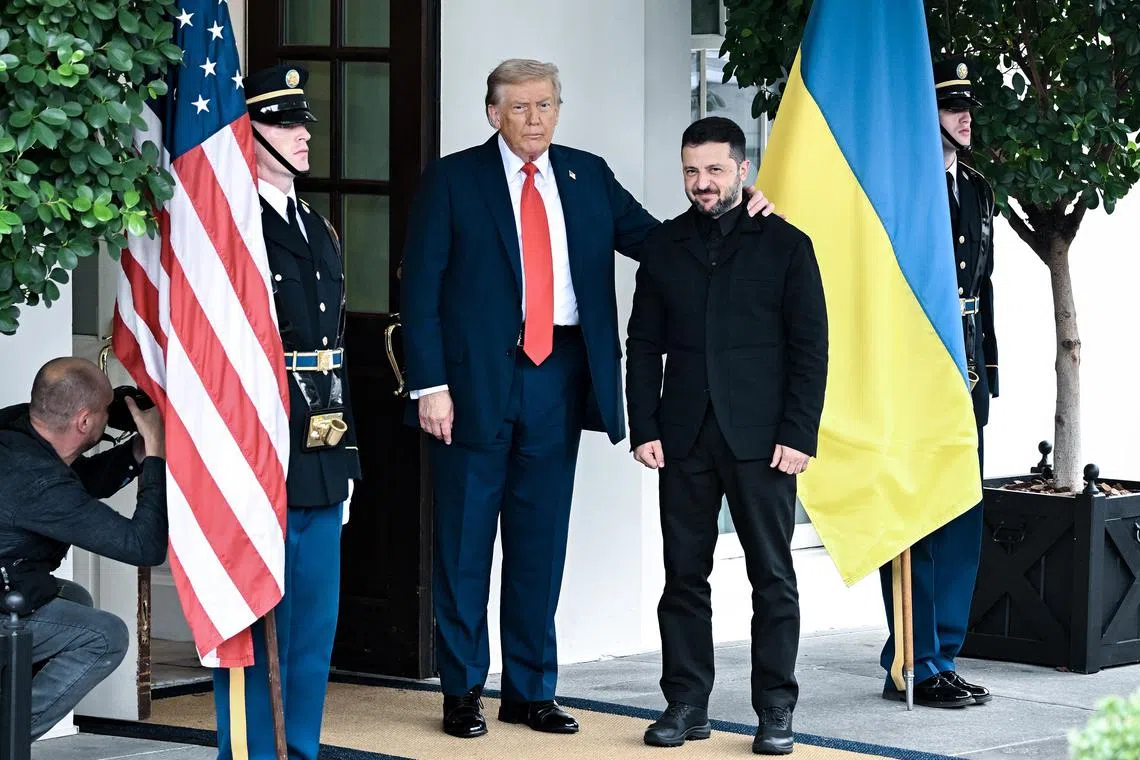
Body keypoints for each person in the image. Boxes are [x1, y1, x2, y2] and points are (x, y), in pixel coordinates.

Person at [401, 59, 775, 739]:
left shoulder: (585, 174)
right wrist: (431, 385)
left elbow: (660, 242)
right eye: (519, 108)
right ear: (493, 114)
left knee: (539, 543)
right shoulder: (453, 181)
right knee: (463, 543)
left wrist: (740, 213)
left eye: (545, 105)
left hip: (559, 377)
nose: (535, 119)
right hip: (473, 384)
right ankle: (461, 691)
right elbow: (420, 289)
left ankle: (529, 690)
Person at [625, 117, 827, 756]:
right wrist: (644, 425)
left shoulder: (787, 245)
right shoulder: (663, 246)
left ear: (743, 170)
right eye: (691, 170)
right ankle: (686, 703)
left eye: (714, 170)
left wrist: (798, 433)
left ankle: (775, 708)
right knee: (683, 577)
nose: (701, 183)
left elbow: (810, 349)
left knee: (772, 576)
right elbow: (643, 345)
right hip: (681, 439)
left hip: (764, 441)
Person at [210, 63, 362, 760]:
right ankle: (250, 751)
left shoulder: (318, 227)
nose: (303, 135)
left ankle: (299, 746)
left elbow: (335, 352)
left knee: (313, 625)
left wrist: (349, 456)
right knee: (256, 620)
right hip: (259, 451)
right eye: (284, 123)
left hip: (321, 452)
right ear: (249, 137)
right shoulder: (232, 233)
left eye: (303, 122)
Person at [879, 56, 999, 709]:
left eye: (968, 108)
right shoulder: (895, 190)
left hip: (965, 372)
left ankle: (943, 654)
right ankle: (911, 660)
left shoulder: (976, 189)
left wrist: (993, 370)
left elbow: (983, 287)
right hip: (908, 371)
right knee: (910, 515)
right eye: (953, 109)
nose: (965, 118)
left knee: (958, 510)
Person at [0, 357, 167, 741]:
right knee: (105, 635)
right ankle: (6, 737)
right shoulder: (39, 483)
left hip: (13, 578)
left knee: (74, 599)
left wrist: (135, 454)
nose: (112, 416)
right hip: (4, 597)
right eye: (108, 409)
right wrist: (156, 453)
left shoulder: (16, 429)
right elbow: (145, 546)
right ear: (85, 422)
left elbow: (71, 487)